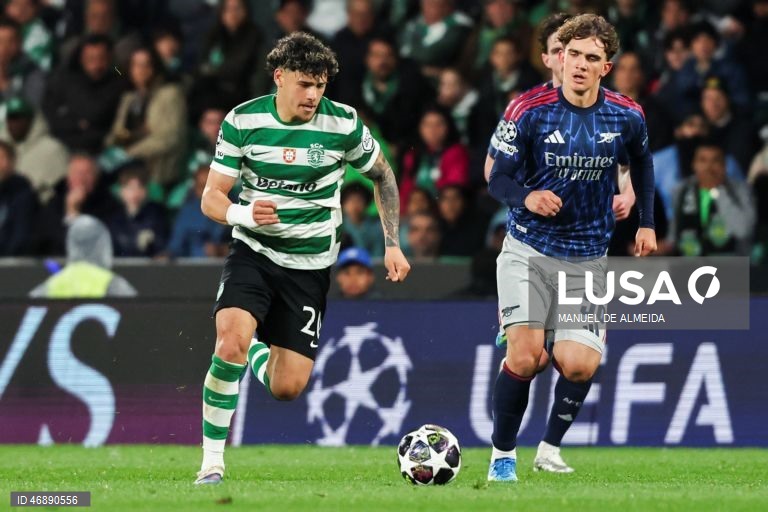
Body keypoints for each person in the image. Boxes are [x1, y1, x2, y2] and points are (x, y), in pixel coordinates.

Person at [195, 32, 409, 485]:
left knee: (286, 387)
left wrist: (392, 242)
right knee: (228, 341)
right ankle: (211, 463)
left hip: (310, 265)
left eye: (321, 85)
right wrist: (242, 212)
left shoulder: (344, 124)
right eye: (305, 84)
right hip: (253, 250)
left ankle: (255, 346)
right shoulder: (243, 121)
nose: (313, 94)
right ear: (280, 77)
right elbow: (211, 197)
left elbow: (383, 176)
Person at [486, 14, 656, 482]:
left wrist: (645, 222)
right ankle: (503, 457)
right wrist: (527, 197)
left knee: (579, 366)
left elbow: (642, 162)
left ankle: (549, 447)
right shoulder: (528, 109)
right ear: (559, 59)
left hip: (587, 257)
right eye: (573, 55)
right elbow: (496, 177)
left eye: (591, 58)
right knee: (524, 356)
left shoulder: (626, 114)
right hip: (528, 249)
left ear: (607, 66)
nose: (579, 64)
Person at [29, 215, 137, 298]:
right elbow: (136, 314)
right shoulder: (111, 283)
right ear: (103, 244)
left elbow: (28, 309)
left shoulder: (54, 283)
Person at [0, 139, 37, 255]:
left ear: (12, 162)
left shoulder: (23, 193)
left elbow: (20, 239)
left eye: (1, 158)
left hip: (11, 265)